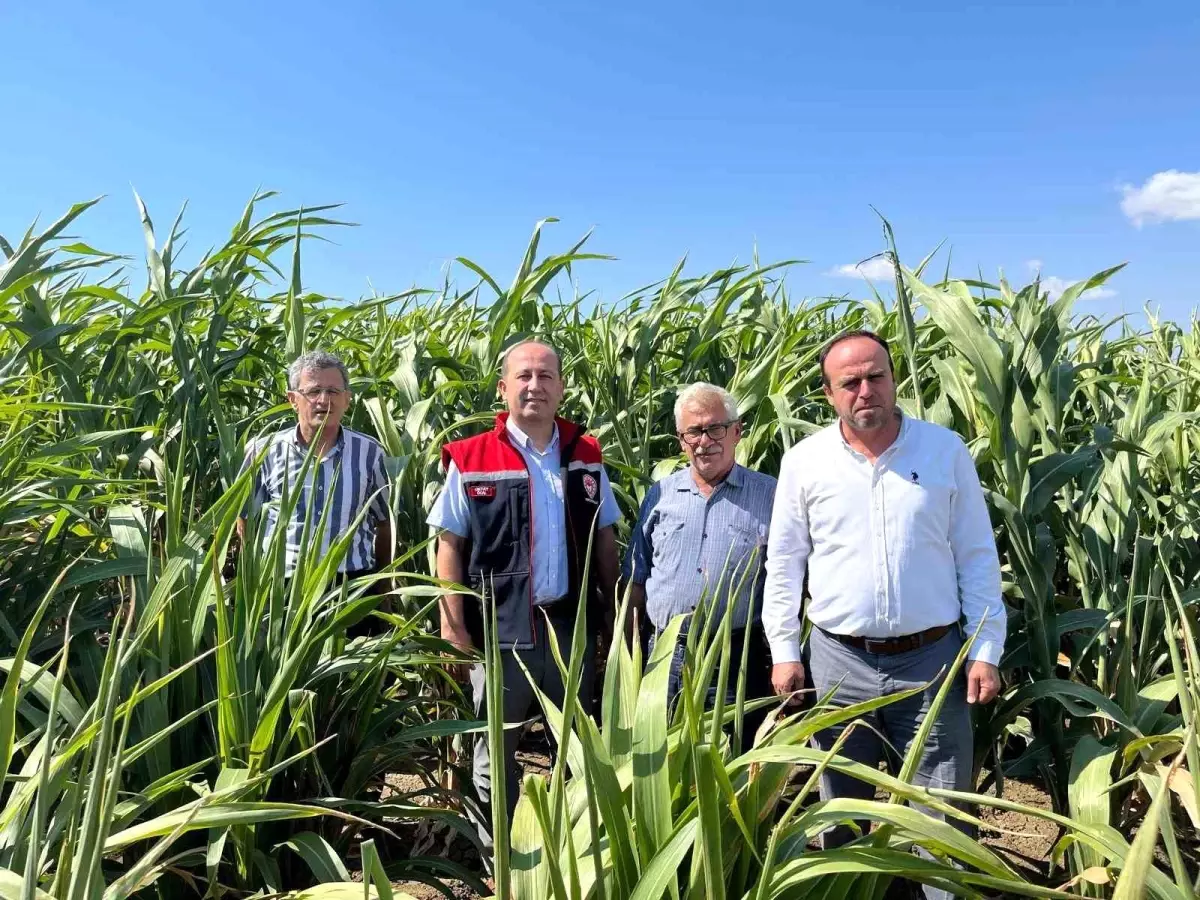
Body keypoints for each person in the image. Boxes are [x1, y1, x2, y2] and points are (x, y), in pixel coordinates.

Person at [762, 330, 1006, 900]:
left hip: (935, 660)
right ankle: (850, 890)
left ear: (894, 379)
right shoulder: (805, 461)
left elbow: (976, 555)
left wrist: (985, 649)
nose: (866, 390)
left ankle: (940, 894)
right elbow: (785, 564)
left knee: (941, 808)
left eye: (876, 376)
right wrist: (783, 650)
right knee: (839, 802)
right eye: (850, 382)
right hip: (838, 662)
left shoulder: (944, 451)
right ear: (829, 394)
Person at [427, 339, 621, 852]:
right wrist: (454, 626)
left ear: (560, 387)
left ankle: (575, 851)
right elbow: (449, 544)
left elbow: (605, 535)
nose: (535, 385)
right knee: (494, 753)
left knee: (579, 748)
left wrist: (610, 609)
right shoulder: (471, 458)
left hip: (567, 627)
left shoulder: (586, 454)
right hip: (499, 630)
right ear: (504, 388)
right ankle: (505, 859)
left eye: (546, 376)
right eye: (524, 376)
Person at [623, 382, 776, 748]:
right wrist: (628, 653)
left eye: (715, 428)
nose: (705, 440)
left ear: (736, 432)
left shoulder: (771, 494)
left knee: (731, 757)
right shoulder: (660, 495)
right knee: (659, 756)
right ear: (681, 440)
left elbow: (789, 579)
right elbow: (636, 578)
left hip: (734, 656)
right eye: (694, 431)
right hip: (663, 653)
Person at [237, 350, 393, 587]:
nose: (324, 400)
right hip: (281, 587)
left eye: (333, 391)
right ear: (292, 399)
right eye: (313, 391)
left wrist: (382, 595)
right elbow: (244, 518)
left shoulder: (370, 453)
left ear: (347, 399)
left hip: (351, 585)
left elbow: (384, 522)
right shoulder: (264, 451)